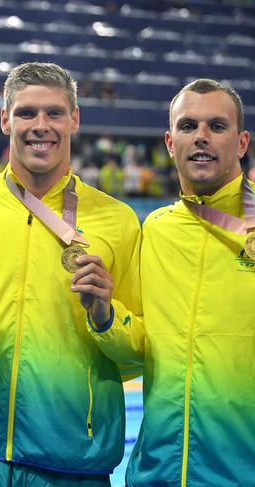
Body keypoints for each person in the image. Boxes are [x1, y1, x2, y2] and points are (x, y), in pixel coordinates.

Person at [0, 62, 142, 486]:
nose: (40, 126)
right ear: (4, 119)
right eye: (27, 113)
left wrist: (106, 318)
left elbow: (138, 353)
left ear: (74, 119)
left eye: (53, 113)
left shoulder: (118, 220)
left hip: (76, 463)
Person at [90, 79, 254, 486]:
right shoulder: (157, 230)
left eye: (217, 126)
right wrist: (105, 316)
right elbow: (143, 347)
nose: (201, 137)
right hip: (158, 471)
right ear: (169, 142)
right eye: (188, 126)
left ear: (241, 143)